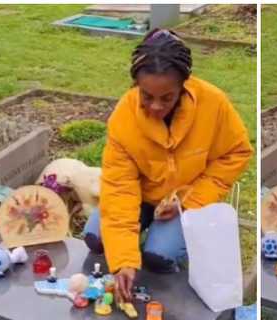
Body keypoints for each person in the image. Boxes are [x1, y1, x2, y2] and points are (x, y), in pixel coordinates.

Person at [82, 29, 253, 303]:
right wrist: (124, 260)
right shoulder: (123, 118)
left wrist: (188, 201)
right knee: (96, 238)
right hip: (140, 197)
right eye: (146, 96)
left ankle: (166, 248)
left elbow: (235, 153)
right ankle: (137, 241)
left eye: (167, 97)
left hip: (187, 199)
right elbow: (120, 188)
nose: (155, 106)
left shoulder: (213, 103)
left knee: (159, 256)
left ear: (184, 85)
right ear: (136, 84)